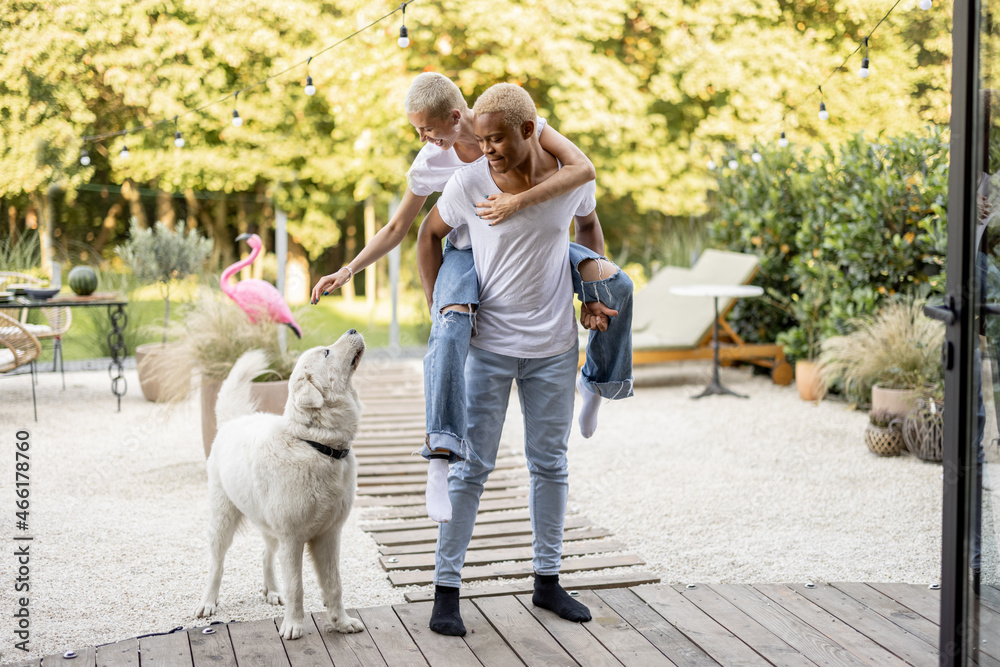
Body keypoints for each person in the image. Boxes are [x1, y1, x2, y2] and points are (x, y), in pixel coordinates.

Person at [310, 73, 633, 524]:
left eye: (427, 128)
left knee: (618, 285)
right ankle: (440, 453)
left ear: (456, 116)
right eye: (417, 131)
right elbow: (402, 229)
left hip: (527, 238)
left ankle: (597, 383)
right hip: (465, 254)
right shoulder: (432, 161)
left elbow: (581, 174)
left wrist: (518, 206)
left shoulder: (516, 128)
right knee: (449, 325)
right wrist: (350, 270)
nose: (422, 138)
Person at [415, 83, 607, 636]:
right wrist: (438, 308)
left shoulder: (565, 182)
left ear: (529, 131)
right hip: (489, 348)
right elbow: (430, 234)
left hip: (552, 348)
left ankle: (547, 582)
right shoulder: (469, 181)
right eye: (481, 138)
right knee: (472, 468)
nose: (487, 148)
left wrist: (593, 281)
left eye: (496, 139)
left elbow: (589, 223)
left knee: (550, 464)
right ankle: (445, 592)